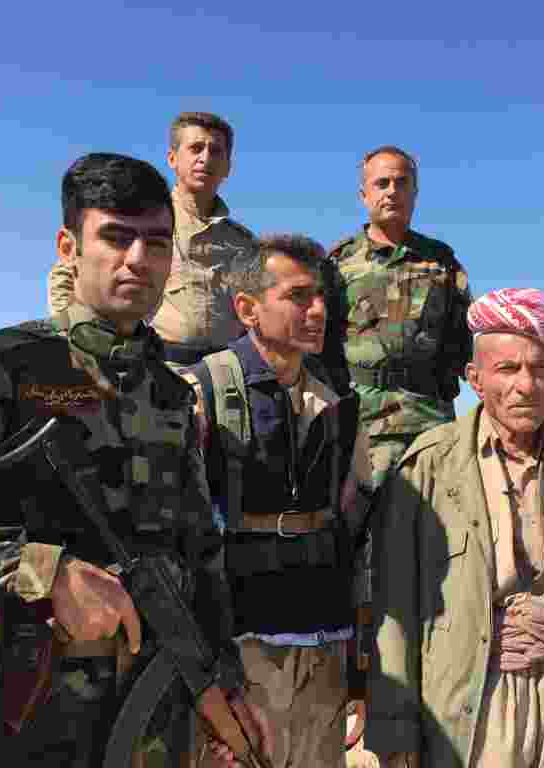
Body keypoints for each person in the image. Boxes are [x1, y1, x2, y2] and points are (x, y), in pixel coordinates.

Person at [0, 153, 267, 768]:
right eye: (115, 238)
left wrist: (221, 681)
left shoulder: (170, 393)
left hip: (158, 713)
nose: (137, 260)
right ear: (70, 244)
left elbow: (198, 552)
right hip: (40, 717)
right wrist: (43, 570)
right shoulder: (3, 369)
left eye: (155, 242)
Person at [367, 288, 544, 768]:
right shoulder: (427, 467)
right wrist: (395, 729)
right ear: (475, 380)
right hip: (470, 702)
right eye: (507, 370)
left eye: (540, 369)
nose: (526, 385)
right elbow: (394, 607)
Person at [179, 235, 374, 767]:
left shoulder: (336, 403)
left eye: (322, 298)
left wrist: (359, 659)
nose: (318, 311)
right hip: (241, 650)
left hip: (325, 642)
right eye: (298, 296)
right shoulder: (202, 392)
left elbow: (355, 529)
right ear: (247, 309)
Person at [47, 112, 256, 365]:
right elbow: (67, 273)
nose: (205, 158)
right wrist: (74, 340)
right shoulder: (139, 219)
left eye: (216, 151)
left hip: (225, 374)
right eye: (195, 148)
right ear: (172, 158)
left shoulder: (243, 243)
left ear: (228, 167)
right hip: (157, 365)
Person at [322, 145, 472, 488]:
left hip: (428, 420)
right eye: (382, 183)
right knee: (359, 528)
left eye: (402, 183)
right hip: (359, 419)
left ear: (414, 192)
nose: (392, 191)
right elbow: (319, 342)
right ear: (364, 194)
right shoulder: (336, 262)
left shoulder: (442, 262)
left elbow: (464, 338)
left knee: (432, 529)